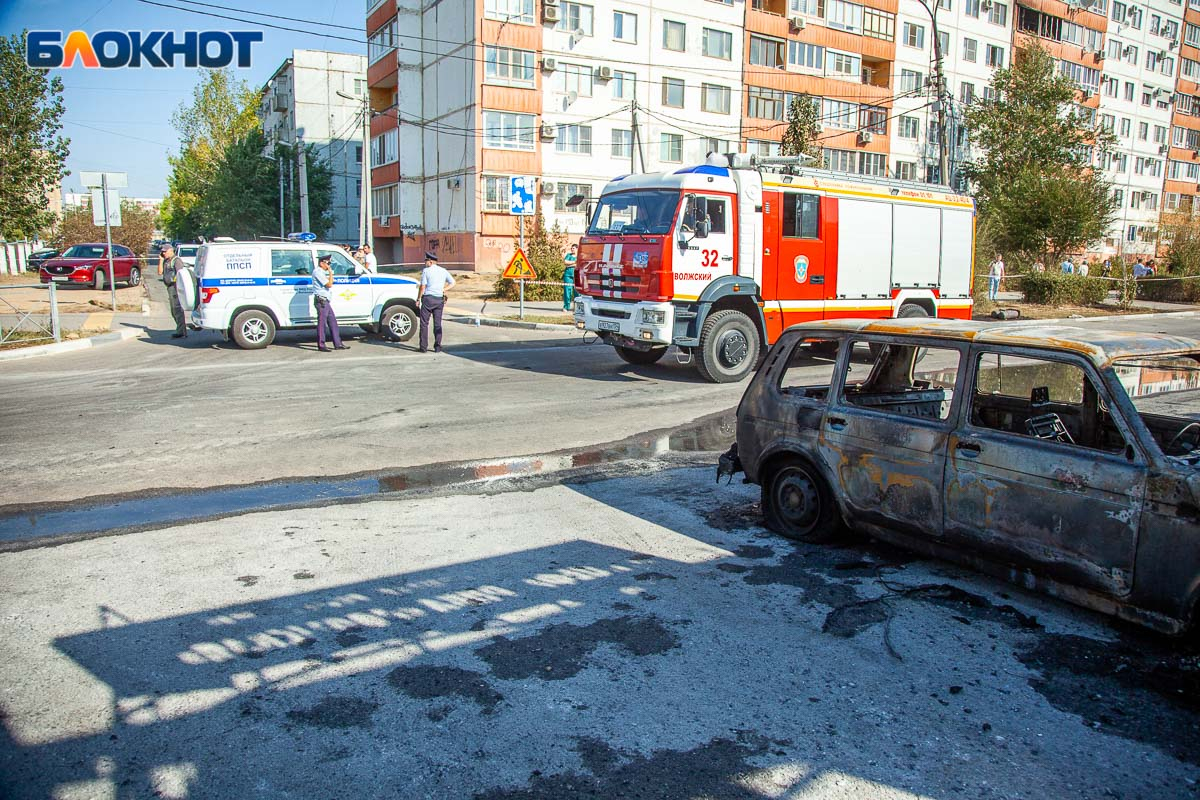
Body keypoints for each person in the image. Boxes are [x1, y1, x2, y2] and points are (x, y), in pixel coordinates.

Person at [417, 251, 455, 353]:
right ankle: (437, 347)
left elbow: (423, 287)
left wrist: (418, 298)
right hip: (439, 299)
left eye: (426, 260)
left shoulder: (426, 271)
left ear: (430, 261)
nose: (425, 262)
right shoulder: (443, 271)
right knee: (437, 324)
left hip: (428, 299)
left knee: (424, 323)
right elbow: (453, 282)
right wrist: (444, 290)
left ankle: (423, 347)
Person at [312, 253, 348, 352]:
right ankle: (321, 344)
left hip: (325, 300)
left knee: (333, 321)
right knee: (322, 323)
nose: (329, 265)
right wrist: (331, 273)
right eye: (328, 263)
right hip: (321, 300)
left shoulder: (321, 272)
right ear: (322, 263)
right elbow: (329, 284)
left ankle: (338, 343)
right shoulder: (318, 272)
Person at [157, 242, 188, 339]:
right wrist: (161, 260)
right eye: (162, 252)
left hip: (175, 288)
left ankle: (181, 331)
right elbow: (160, 272)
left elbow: (180, 275)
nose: (163, 254)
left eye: (165, 252)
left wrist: (178, 287)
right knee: (173, 310)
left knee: (177, 309)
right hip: (170, 288)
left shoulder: (176, 260)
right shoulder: (166, 261)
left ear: (170, 251)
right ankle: (180, 329)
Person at [562, 243, 577, 311]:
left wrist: (569, 264)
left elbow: (579, 264)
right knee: (567, 291)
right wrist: (574, 263)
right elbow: (565, 262)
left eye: (573, 248)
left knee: (577, 292)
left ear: (577, 249)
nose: (572, 249)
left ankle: (577, 307)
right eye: (571, 248)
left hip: (576, 275)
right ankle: (566, 306)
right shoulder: (568, 255)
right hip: (568, 275)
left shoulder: (579, 256)